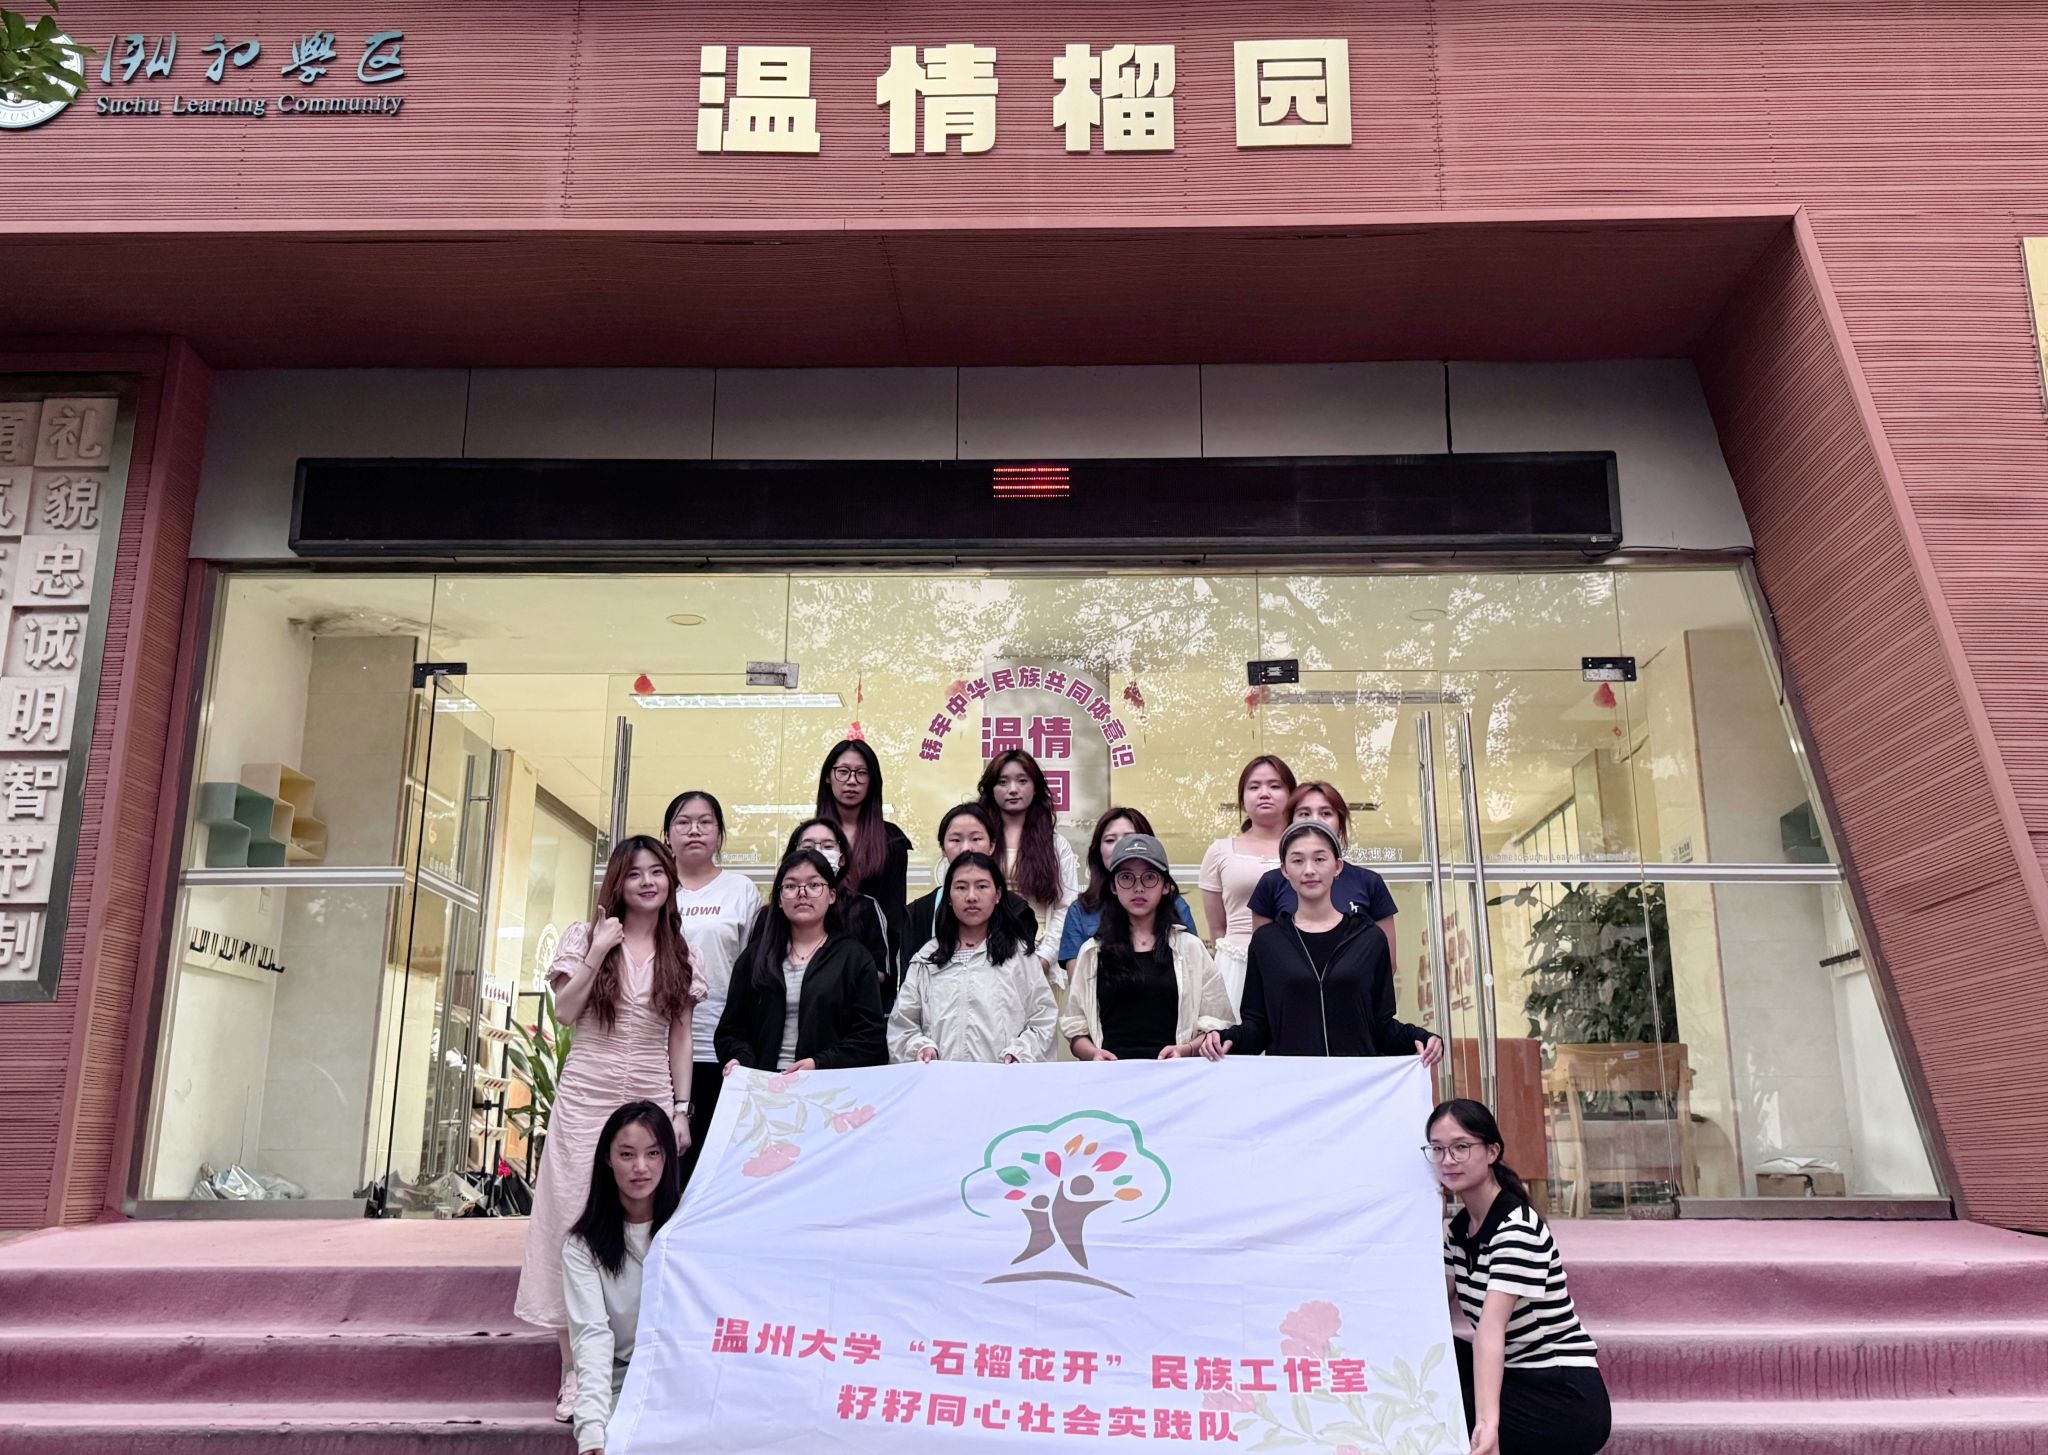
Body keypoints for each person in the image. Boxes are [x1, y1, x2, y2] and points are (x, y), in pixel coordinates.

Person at [516, 835, 705, 1423]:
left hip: (649, 1092)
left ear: (670, 881)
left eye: (658, 872)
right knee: (573, 1218)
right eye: (636, 873)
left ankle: (642, 1358)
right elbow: (564, 1012)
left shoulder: (681, 950)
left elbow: (681, 1037)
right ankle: (574, 1368)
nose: (648, 882)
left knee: (646, 1225)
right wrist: (599, 950)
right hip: (586, 1093)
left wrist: (681, 1109)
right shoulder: (585, 935)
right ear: (618, 882)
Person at [1431, 1098, 1610, 1455]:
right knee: (1430, 1358)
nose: (1448, 1159)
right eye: (1437, 1149)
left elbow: (1491, 1328)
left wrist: (1488, 1423)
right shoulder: (1460, 1229)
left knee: (1443, 1406)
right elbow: (1429, 1308)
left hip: (1561, 1395)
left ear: (1492, 1151)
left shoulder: (1516, 1229)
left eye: (1461, 1147)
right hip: (1515, 1375)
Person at [1197, 820, 1444, 1065]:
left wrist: (1421, 1038)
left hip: (1356, 1080)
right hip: (1293, 1081)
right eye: (1297, 860)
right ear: (1284, 870)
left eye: (1319, 859)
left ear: (1337, 867)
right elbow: (1258, 1027)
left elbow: (1382, 1026)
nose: (1309, 870)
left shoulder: (1369, 939)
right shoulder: (1267, 942)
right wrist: (1225, 1038)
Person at [562, 1100, 682, 1455]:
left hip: (683, 1380)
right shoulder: (583, 1247)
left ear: (667, 1157)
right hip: (621, 1386)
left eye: (653, 1153)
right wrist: (591, 1428)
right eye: (627, 1154)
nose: (640, 1167)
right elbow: (592, 1337)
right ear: (608, 1159)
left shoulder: (688, 1231)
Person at [1062, 833, 1234, 1061]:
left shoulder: (1191, 948)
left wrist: (1185, 1049)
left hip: (1175, 1074)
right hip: (1111, 1074)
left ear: (1166, 886)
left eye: (1150, 877)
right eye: (1126, 877)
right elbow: (1076, 1029)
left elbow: (1217, 1022)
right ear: (1113, 887)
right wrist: (1094, 1053)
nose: (1138, 888)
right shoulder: (1092, 952)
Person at [715, 847, 887, 1074]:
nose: (802, 893)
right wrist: (740, 1059)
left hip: (826, 1083)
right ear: (779, 899)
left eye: (814, 885)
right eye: (790, 886)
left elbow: (871, 1038)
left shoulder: (854, 958)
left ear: (832, 896)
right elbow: (729, 1032)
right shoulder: (755, 957)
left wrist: (819, 1063)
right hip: (763, 1083)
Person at [663, 790, 761, 1182]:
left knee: (711, 1167)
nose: (695, 830)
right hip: (657, 1048)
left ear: (719, 834)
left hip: (719, 1047)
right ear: (667, 834)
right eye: (683, 822)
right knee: (659, 1163)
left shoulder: (741, 889)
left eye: (705, 822)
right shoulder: (656, 886)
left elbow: (754, 969)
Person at [888, 851, 1057, 1064]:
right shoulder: (927, 959)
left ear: (997, 894)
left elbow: (1043, 1019)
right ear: (948, 897)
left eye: (982, 886)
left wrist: (1020, 1054)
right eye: (961, 887)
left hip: (1003, 1080)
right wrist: (921, 1048)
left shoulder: (1020, 957)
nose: (971, 896)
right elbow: (903, 1025)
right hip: (941, 1081)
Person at [1249, 779, 1398, 966]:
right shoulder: (1271, 883)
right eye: (1304, 813)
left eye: (1326, 813)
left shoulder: (1369, 882)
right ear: (1290, 822)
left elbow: (1387, 964)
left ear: (1340, 824)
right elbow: (1264, 961)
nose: (1315, 820)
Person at [1198, 754, 1295, 1008]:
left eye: (1275, 785)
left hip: (1299, 964)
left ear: (1291, 794)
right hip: (1237, 964)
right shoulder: (1220, 851)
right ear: (1242, 798)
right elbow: (1217, 928)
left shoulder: (1307, 851)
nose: (1264, 793)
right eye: (1254, 787)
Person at [978, 748, 1079, 988]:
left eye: (1022, 781)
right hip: (985, 955)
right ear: (991, 789)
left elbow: (1066, 906)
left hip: (1039, 957)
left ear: (1035, 788)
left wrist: (1044, 958)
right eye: (1003, 782)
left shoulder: (1055, 844)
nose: (1013, 789)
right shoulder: (980, 840)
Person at [1058, 806, 1198, 972]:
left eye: (1130, 838)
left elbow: (1193, 971)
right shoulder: (1080, 911)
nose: (1120, 846)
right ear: (1098, 850)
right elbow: (1080, 983)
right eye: (1110, 840)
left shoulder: (1175, 906)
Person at [816, 737, 912, 978]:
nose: (851, 781)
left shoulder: (891, 840)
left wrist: (879, 971)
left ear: (872, 781)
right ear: (828, 777)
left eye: (861, 773)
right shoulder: (811, 837)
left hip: (870, 968)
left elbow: (894, 916)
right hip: (815, 961)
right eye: (843, 772)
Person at [904, 803, 1039, 969]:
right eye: (955, 840)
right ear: (943, 849)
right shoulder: (918, 913)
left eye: (976, 839)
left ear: (992, 846)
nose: (966, 848)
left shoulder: (1017, 911)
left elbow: (1025, 975)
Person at [785, 817, 892, 994]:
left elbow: (881, 974)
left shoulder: (865, 908)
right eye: (808, 846)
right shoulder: (773, 913)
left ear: (842, 858)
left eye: (827, 846)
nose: (817, 853)